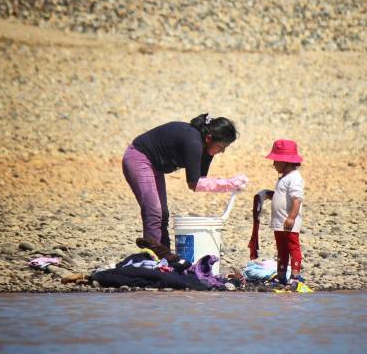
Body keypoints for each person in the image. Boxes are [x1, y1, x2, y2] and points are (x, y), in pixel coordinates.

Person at [122, 114, 248, 248]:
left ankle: (164, 255)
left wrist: (229, 185)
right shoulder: (193, 142)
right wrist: (228, 184)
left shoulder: (207, 149)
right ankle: (150, 258)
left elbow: (200, 180)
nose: (222, 151)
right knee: (153, 212)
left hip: (156, 166)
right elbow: (194, 184)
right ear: (209, 138)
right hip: (139, 157)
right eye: (221, 146)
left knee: (163, 214)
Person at [252, 139, 304, 285]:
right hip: (279, 222)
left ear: (285, 161)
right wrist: (266, 195)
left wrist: (291, 217)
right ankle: (281, 276)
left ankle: (295, 276)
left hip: (289, 222)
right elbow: (280, 195)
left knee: (293, 247)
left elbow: (297, 199)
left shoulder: (295, 178)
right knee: (281, 249)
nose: (273, 164)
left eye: (276, 160)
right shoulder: (284, 178)